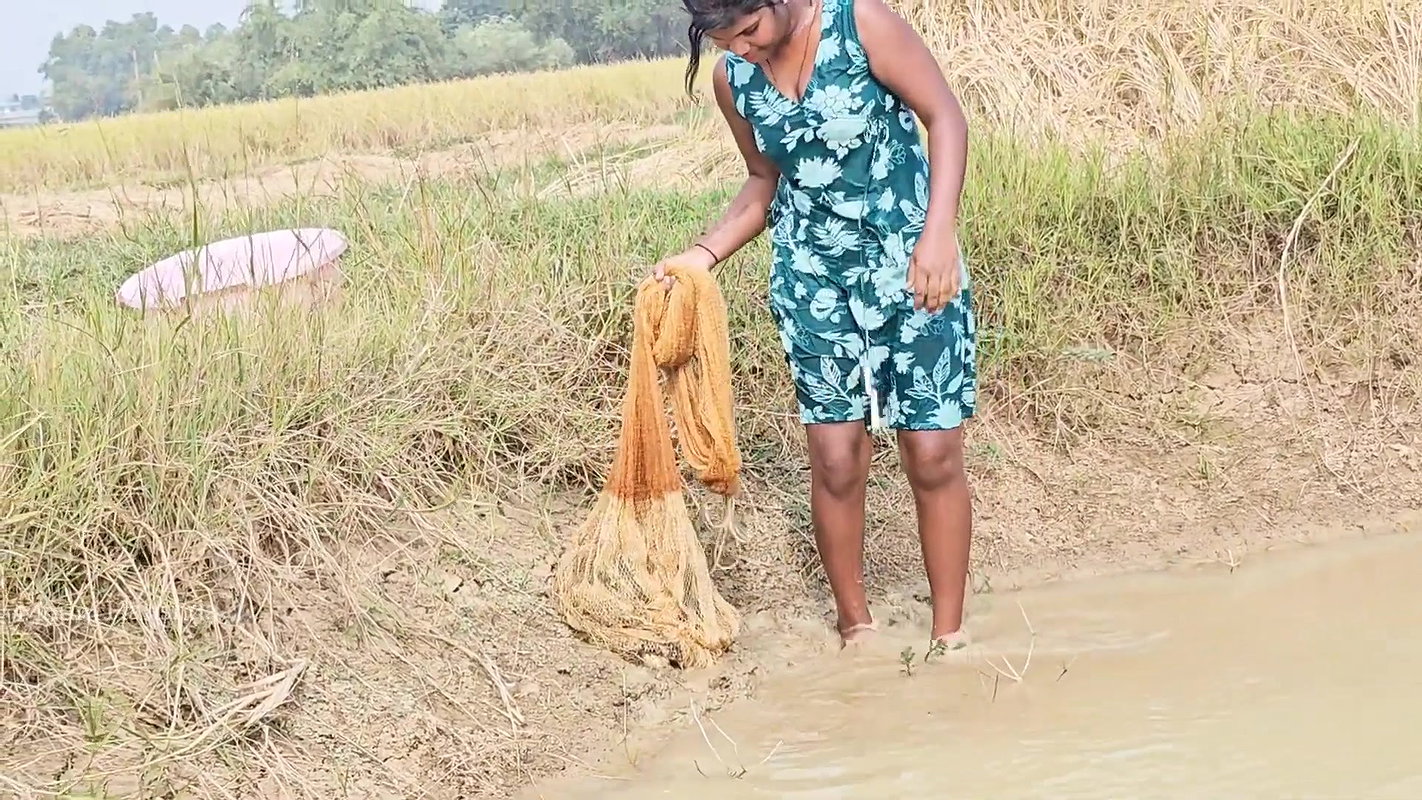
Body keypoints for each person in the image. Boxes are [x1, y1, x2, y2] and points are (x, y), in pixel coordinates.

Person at [651, 0, 977, 652]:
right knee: (835, 460)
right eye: (724, 41)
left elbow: (945, 117)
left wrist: (938, 233)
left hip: (912, 266)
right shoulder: (733, 78)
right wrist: (702, 255)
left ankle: (950, 637)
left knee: (932, 453)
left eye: (748, 30)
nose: (742, 49)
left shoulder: (861, 25)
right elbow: (762, 181)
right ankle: (856, 632)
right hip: (813, 285)